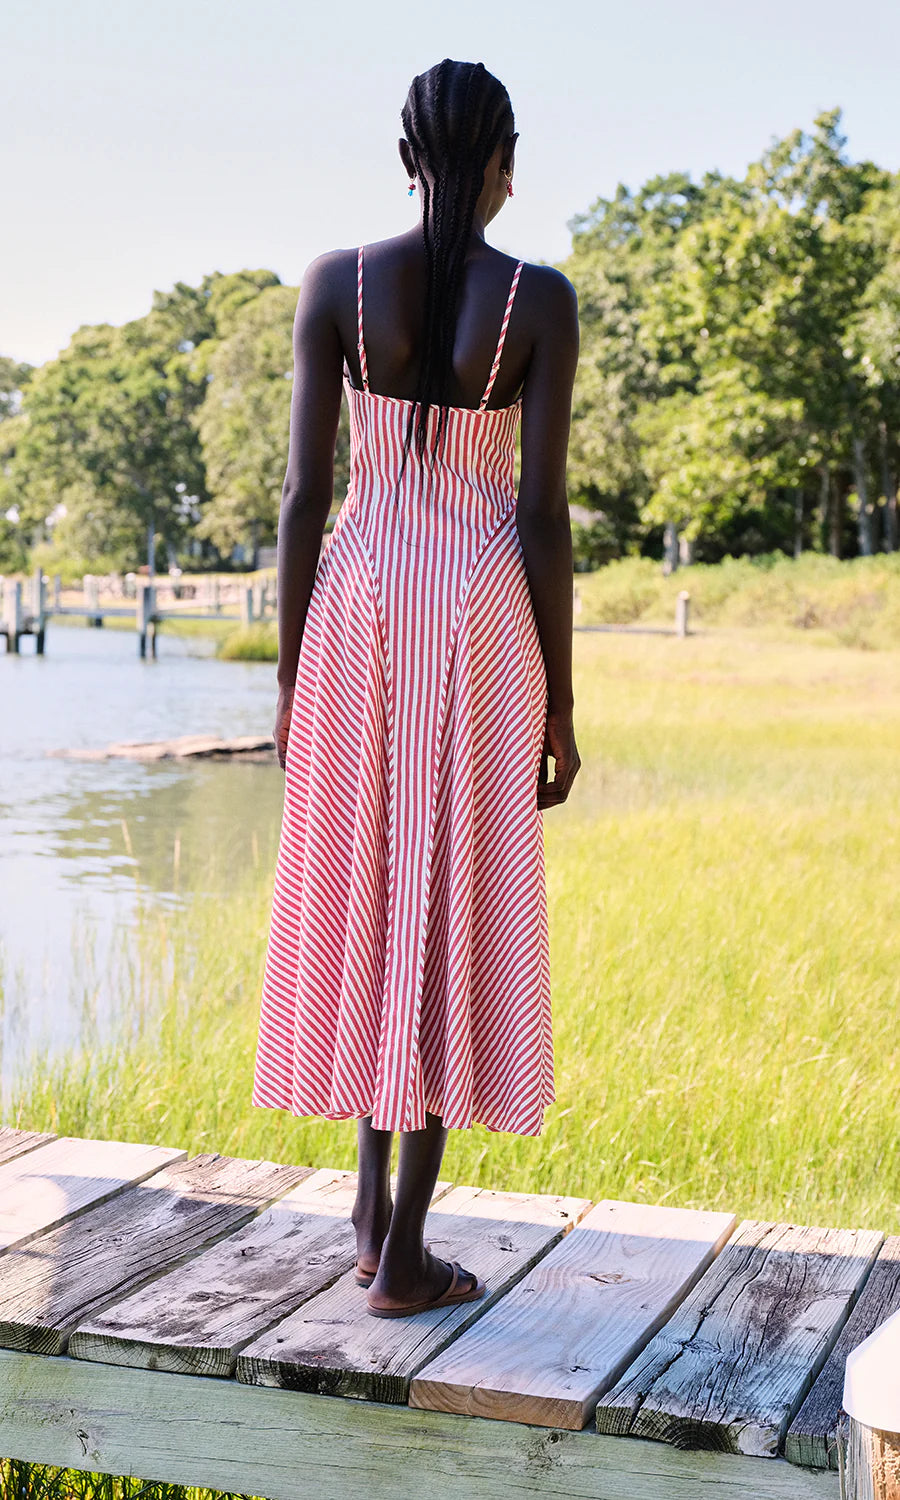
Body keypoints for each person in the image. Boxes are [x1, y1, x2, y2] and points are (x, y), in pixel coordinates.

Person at [251, 58, 580, 1318]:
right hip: (482, 610)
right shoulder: (536, 300)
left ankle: (365, 1217)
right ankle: (405, 1255)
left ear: (405, 157)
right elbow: (541, 516)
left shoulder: (338, 282)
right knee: (444, 902)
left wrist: (291, 683)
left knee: (371, 889)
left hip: (358, 606)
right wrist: (557, 703)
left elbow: (300, 500)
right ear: (505, 165)